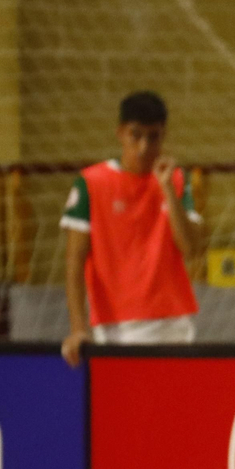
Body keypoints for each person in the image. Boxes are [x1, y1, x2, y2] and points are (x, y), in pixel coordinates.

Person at [59, 91, 206, 367]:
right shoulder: (91, 182)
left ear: (164, 136)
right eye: (135, 135)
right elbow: (74, 261)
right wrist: (79, 328)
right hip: (114, 327)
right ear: (120, 133)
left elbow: (191, 247)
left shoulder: (175, 179)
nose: (143, 147)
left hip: (171, 322)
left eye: (153, 137)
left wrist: (167, 191)